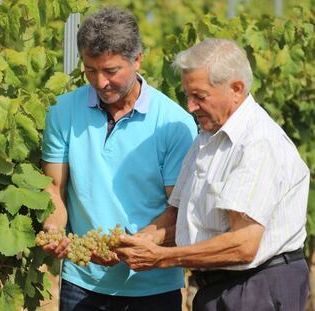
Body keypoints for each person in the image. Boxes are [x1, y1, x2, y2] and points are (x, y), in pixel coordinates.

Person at [116, 38, 310, 311]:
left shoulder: (257, 144)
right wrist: (136, 243)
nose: (190, 106)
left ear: (236, 89)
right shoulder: (207, 138)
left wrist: (162, 258)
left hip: (257, 288)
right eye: (187, 95)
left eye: (199, 96)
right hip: (221, 286)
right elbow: (178, 217)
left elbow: (243, 245)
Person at [40, 7, 198, 311]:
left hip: (154, 287)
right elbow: (53, 189)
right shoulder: (62, 112)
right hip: (82, 282)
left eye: (111, 71)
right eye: (90, 70)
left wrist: (131, 246)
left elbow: (178, 210)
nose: (100, 82)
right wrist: (54, 229)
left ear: (137, 59)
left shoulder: (173, 124)